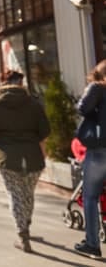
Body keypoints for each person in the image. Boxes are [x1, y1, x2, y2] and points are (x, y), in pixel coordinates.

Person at [0, 69, 50, 253]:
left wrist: (0, 144)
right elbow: (45, 130)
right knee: (27, 194)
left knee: (15, 195)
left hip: (6, 158)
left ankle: (22, 233)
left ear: (3, 82)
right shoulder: (33, 103)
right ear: (21, 84)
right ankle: (25, 225)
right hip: (33, 157)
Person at [73, 60, 106, 260]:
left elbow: (82, 108)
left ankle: (92, 244)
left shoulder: (97, 88)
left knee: (91, 196)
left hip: (100, 149)